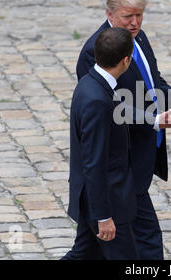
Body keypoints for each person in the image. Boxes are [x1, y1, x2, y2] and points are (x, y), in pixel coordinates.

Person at [76, 0, 171, 260]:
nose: (135, 22)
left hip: (138, 158)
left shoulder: (139, 38)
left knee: (87, 251)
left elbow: (153, 83)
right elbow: (110, 107)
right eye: (128, 16)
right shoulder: (96, 51)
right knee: (146, 241)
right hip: (121, 164)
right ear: (110, 15)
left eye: (139, 15)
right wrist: (153, 120)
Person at [62, 27, 138, 260]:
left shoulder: (88, 83)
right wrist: (103, 216)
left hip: (91, 197)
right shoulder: (97, 99)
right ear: (126, 60)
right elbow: (94, 161)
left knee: (83, 254)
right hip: (107, 201)